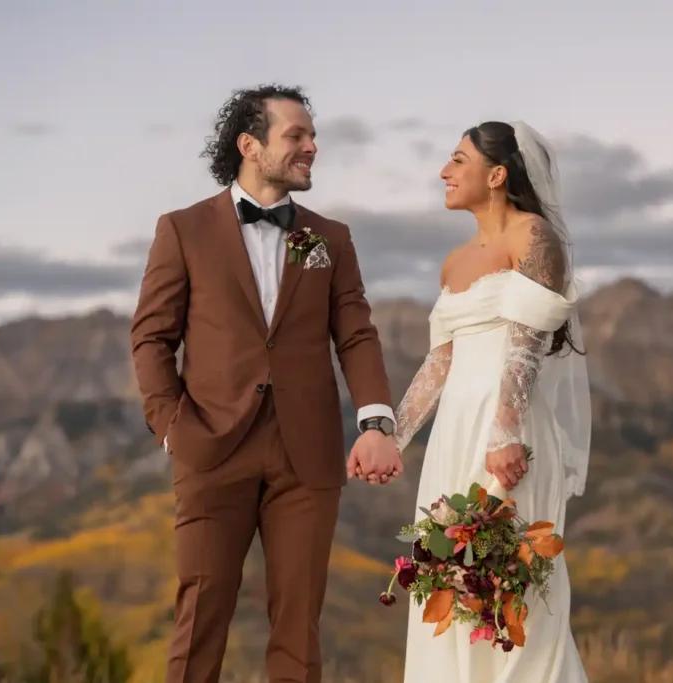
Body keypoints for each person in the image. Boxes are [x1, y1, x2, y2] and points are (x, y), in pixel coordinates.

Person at [129, 83, 403, 683]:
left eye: (312, 136)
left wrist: (377, 423)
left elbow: (356, 334)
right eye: (296, 136)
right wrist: (174, 429)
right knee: (200, 619)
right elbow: (151, 339)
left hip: (306, 454)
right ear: (250, 145)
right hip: (210, 447)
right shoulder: (182, 230)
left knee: (298, 628)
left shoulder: (330, 238)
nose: (312, 147)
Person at [392, 121, 592, 683]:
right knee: (448, 584)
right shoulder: (454, 263)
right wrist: (393, 436)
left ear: (497, 174)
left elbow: (527, 343)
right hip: (455, 433)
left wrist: (505, 431)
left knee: (511, 590)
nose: (444, 172)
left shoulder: (534, 239)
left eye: (458, 160)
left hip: (510, 430)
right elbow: (439, 362)